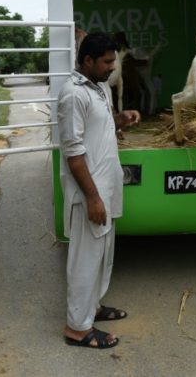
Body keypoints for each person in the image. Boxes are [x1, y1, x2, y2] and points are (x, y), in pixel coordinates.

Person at [57, 32, 141, 349]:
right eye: (107, 61)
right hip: (89, 194)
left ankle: (92, 308)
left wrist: (120, 119)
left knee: (101, 257)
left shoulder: (99, 88)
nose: (113, 66)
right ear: (88, 60)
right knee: (84, 259)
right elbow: (74, 152)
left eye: (113, 60)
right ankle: (77, 329)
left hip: (105, 188)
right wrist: (92, 197)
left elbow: (99, 127)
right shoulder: (72, 95)